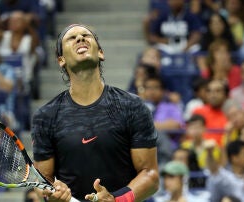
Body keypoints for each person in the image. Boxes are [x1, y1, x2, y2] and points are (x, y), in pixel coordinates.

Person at [32, 24, 159, 201]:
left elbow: (151, 175)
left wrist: (115, 200)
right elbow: (42, 182)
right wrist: (53, 195)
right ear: (61, 60)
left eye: (86, 35)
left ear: (100, 53)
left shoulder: (133, 106)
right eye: (71, 38)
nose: (80, 38)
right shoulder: (45, 116)